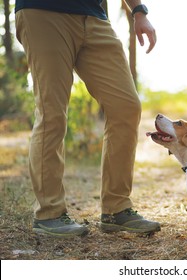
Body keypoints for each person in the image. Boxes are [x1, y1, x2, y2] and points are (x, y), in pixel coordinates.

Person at [15, 0, 160, 237]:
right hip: (43, 11)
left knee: (126, 107)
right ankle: (48, 214)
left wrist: (139, 11)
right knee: (52, 112)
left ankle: (117, 209)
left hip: (94, 15)